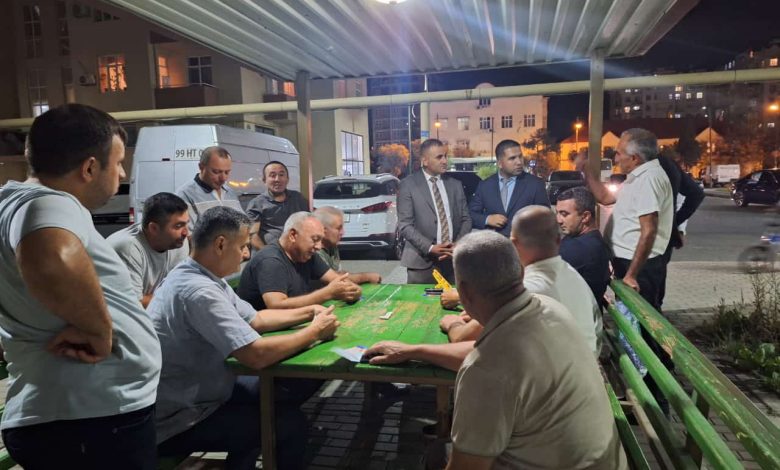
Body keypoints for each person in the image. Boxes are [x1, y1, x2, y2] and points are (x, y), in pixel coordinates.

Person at [366, 232, 626, 469]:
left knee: (437, 453)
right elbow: (487, 353)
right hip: (603, 461)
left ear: (463, 292)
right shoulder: (550, 308)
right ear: (520, 273)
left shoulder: (485, 371)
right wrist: (414, 350)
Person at [0, 104, 161, 468]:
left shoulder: (12, 204)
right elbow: (52, 256)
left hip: (76, 418)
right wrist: (98, 330)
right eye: (118, 163)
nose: (122, 174)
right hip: (91, 422)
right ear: (89, 168)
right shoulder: (49, 202)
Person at [148, 206, 339, 470]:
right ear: (220, 244)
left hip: (207, 392)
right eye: (243, 247)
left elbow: (256, 319)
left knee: (284, 392)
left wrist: (310, 312)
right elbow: (255, 354)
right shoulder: (197, 291)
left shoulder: (204, 276)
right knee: (290, 425)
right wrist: (314, 332)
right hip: (181, 417)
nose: (247, 254)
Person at [575, 128, 674, 411]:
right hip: (630, 264)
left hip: (640, 268)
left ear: (634, 157)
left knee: (644, 332)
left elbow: (648, 230)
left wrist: (631, 274)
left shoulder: (649, 180)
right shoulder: (637, 176)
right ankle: (642, 394)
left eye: (618, 153)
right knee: (633, 330)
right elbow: (605, 198)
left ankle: (656, 401)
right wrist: (587, 171)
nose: (615, 157)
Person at [442, 206, 602, 355]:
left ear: (513, 244)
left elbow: (462, 338)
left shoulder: (528, 288)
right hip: (585, 361)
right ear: (558, 241)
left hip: (560, 369)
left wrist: (453, 324)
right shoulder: (570, 273)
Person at [238, 211, 362, 310]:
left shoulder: (307, 255)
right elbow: (277, 305)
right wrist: (327, 294)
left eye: (320, 240)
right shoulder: (270, 260)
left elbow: (336, 279)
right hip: (261, 332)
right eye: (315, 239)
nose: (319, 246)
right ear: (293, 235)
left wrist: (351, 290)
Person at [397, 138, 471, 284]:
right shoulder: (408, 185)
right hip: (421, 263)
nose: (444, 161)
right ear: (425, 161)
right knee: (419, 300)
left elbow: (466, 219)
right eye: (439, 157)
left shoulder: (455, 185)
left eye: (445, 156)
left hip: (452, 261)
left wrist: (457, 244)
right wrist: (430, 247)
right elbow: (405, 225)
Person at [108, 192, 190, 307]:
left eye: (186, 224)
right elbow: (133, 305)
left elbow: (180, 289)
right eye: (178, 226)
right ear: (153, 228)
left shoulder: (178, 242)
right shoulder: (128, 248)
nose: (186, 233)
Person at [469, 139, 548, 236]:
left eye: (520, 156)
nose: (519, 162)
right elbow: (471, 214)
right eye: (512, 158)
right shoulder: (485, 186)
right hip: (496, 242)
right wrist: (487, 219)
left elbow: (545, 217)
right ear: (500, 163)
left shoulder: (535, 184)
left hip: (525, 242)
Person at [657, 155, 705, 307]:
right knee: (656, 285)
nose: (617, 159)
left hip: (651, 241)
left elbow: (694, 195)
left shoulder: (659, 165)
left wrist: (675, 223)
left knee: (648, 292)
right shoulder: (667, 164)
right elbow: (695, 194)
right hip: (663, 238)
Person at [555, 186, 612, 305]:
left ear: (585, 216)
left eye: (564, 214)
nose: (558, 220)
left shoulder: (581, 248)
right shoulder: (589, 239)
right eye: (557, 213)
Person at [176, 146, 244, 229]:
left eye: (227, 172)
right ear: (201, 167)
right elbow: (186, 233)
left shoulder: (230, 193)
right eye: (216, 172)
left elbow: (244, 224)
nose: (223, 178)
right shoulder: (185, 195)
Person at [246, 160, 309, 247]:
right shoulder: (257, 203)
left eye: (281, 175)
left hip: (295, 250)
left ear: (287, 179)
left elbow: (309, 222)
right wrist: (268, 252)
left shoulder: (298, 198)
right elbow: (252, 235)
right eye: (272, 175)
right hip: (268, 252)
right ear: (264, 180)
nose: (277, 179)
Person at [313, 206, 381, 284]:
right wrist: (366, 277)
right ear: (323, 229)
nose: (343, 233)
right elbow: (336, 279)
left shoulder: (331, 246)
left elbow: (340, 273)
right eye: (339, 228)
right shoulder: (315, 251)